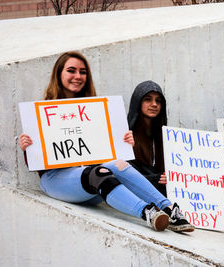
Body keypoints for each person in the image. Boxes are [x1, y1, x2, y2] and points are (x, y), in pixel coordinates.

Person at [18, 51, 192, 232]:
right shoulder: (41, 111)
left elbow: (104, 153)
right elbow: (36, 164)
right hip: (57, 180)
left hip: (95, 184)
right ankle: (147, 212)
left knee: (120, 164)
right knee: (98, 172)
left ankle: (170, 210)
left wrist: (123, 143)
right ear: (59, 74)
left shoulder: (94, 109)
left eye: (83, 72)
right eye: (71, 70)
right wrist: (27, 148)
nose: (78, 76)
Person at [127, 80, 194, 232]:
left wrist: (172, 177)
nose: (154, 104)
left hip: (166, 192)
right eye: (148, 99)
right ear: (138, 102)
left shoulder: (169, 136)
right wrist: (156, 178)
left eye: (158, 100)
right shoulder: (126, 134)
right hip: (139, 192)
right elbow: (125, 173)